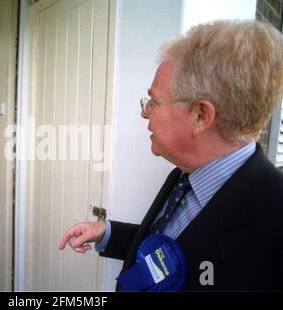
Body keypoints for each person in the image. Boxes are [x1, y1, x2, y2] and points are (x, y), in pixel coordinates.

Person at [59, 20, 283, 291]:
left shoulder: (273, 222)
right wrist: (107, 232)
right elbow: (173, 248)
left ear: (201, 115)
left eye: (153, 101)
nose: (145, 112)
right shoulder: (187, 172)